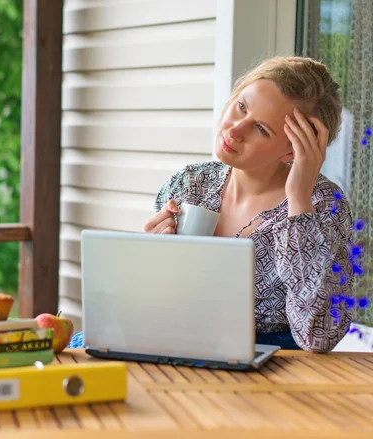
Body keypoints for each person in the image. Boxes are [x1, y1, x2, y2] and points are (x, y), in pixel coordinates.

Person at [69, 56, 354, 353]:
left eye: (261, 129)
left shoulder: (325, 205)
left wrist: (298, 200)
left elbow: (318, 338)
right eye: (241, 107)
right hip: (176, 342)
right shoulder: (190, 183)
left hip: (268, 362)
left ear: (293, 150)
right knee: (79, 348)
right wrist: (152, 256)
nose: (234, 130)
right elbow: (156, 301)